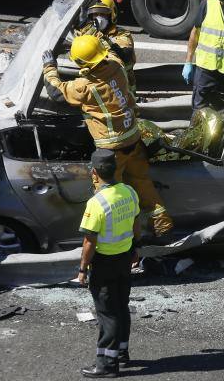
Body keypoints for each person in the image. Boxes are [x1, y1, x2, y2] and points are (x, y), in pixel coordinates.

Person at [42, 35, 174, 239]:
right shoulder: (117, 65)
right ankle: (163, 227)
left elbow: (56, 91)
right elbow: (114, 51)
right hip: (134, 139)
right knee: (142, 182)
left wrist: (49, 66)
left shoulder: (85, 87)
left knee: (109, 197)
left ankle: (119, 239)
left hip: (111, 151)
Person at [77, 149, 140, 378]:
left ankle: (106, 365)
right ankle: (121, 353)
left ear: (94, 173)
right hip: (124, 259)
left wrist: (83, 269)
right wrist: (135, 249)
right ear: (115, 169)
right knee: (121, 307)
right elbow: (135, 224)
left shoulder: (96, 203)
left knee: (107, 314)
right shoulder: (129, 192)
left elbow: (89, 242)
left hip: (104, 263)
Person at [76, 0, 137, 98]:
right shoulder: (84, 32)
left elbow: (124, 56)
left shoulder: (122, 34)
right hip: (96, 89)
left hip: (122, 92)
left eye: (102, 14)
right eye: (95, 14)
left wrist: (92, 32)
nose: (98, 17)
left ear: (112, 14)